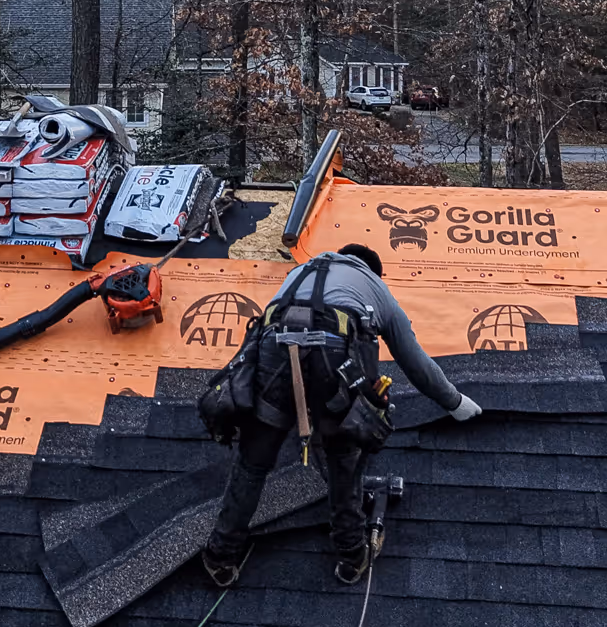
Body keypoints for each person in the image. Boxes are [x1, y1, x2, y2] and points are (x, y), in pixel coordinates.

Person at [202, 243, 480, 587]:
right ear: (372, 270)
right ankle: (351, 555)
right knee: (342, 452)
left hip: (273, 352)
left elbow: (259, 340)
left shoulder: (297, 274)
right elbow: (415, 363)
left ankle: (220, 556)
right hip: (335, 360)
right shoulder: (375, 286)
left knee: (253, 461)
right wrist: (455, 403)